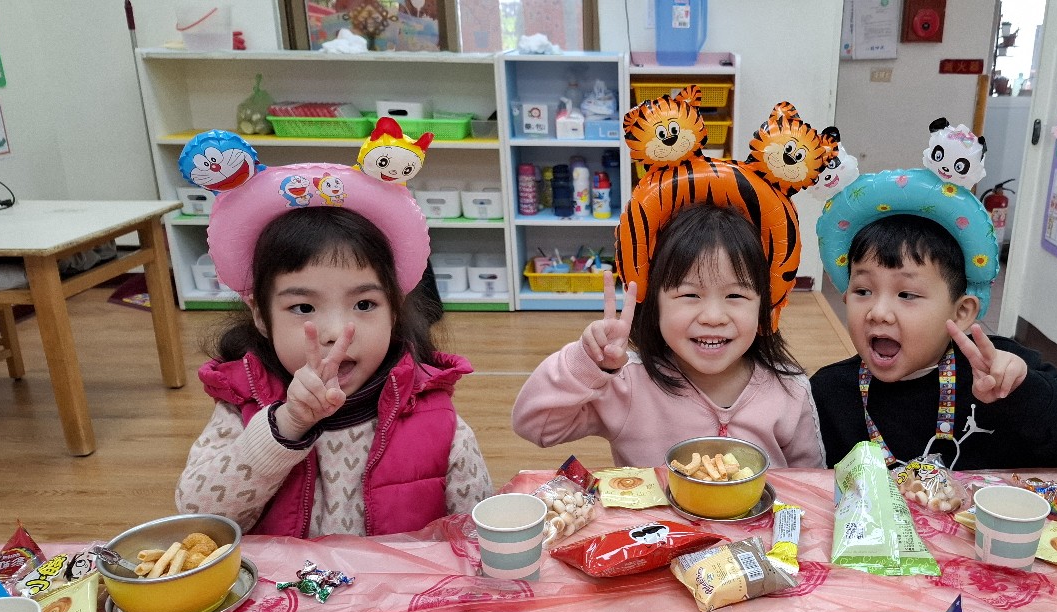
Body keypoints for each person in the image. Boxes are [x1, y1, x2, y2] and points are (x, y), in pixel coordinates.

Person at [175, 153, 490, 536]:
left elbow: (475, 538)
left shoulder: (438, 421)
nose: (336, 333)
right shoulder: (241, 406)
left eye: (364, 305)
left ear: (394, 310)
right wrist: (286, 426)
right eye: (303, 307)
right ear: (260, 314)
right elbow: (200, 518)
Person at [812, 169, 1057, 469]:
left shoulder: (998, 369)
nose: (878, 312)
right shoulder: (828, 393)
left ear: (961, 313)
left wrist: (1023, 392)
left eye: (906, 294)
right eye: (863, 291)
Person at [512, 203, 826, 469]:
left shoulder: (789, 391)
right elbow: (537, 426)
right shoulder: (628, 386)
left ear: (764, 307)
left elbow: (812, 487)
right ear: (655, 305)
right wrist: (587, 364)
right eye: (690, 295)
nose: (713, 317)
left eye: (735, 296)